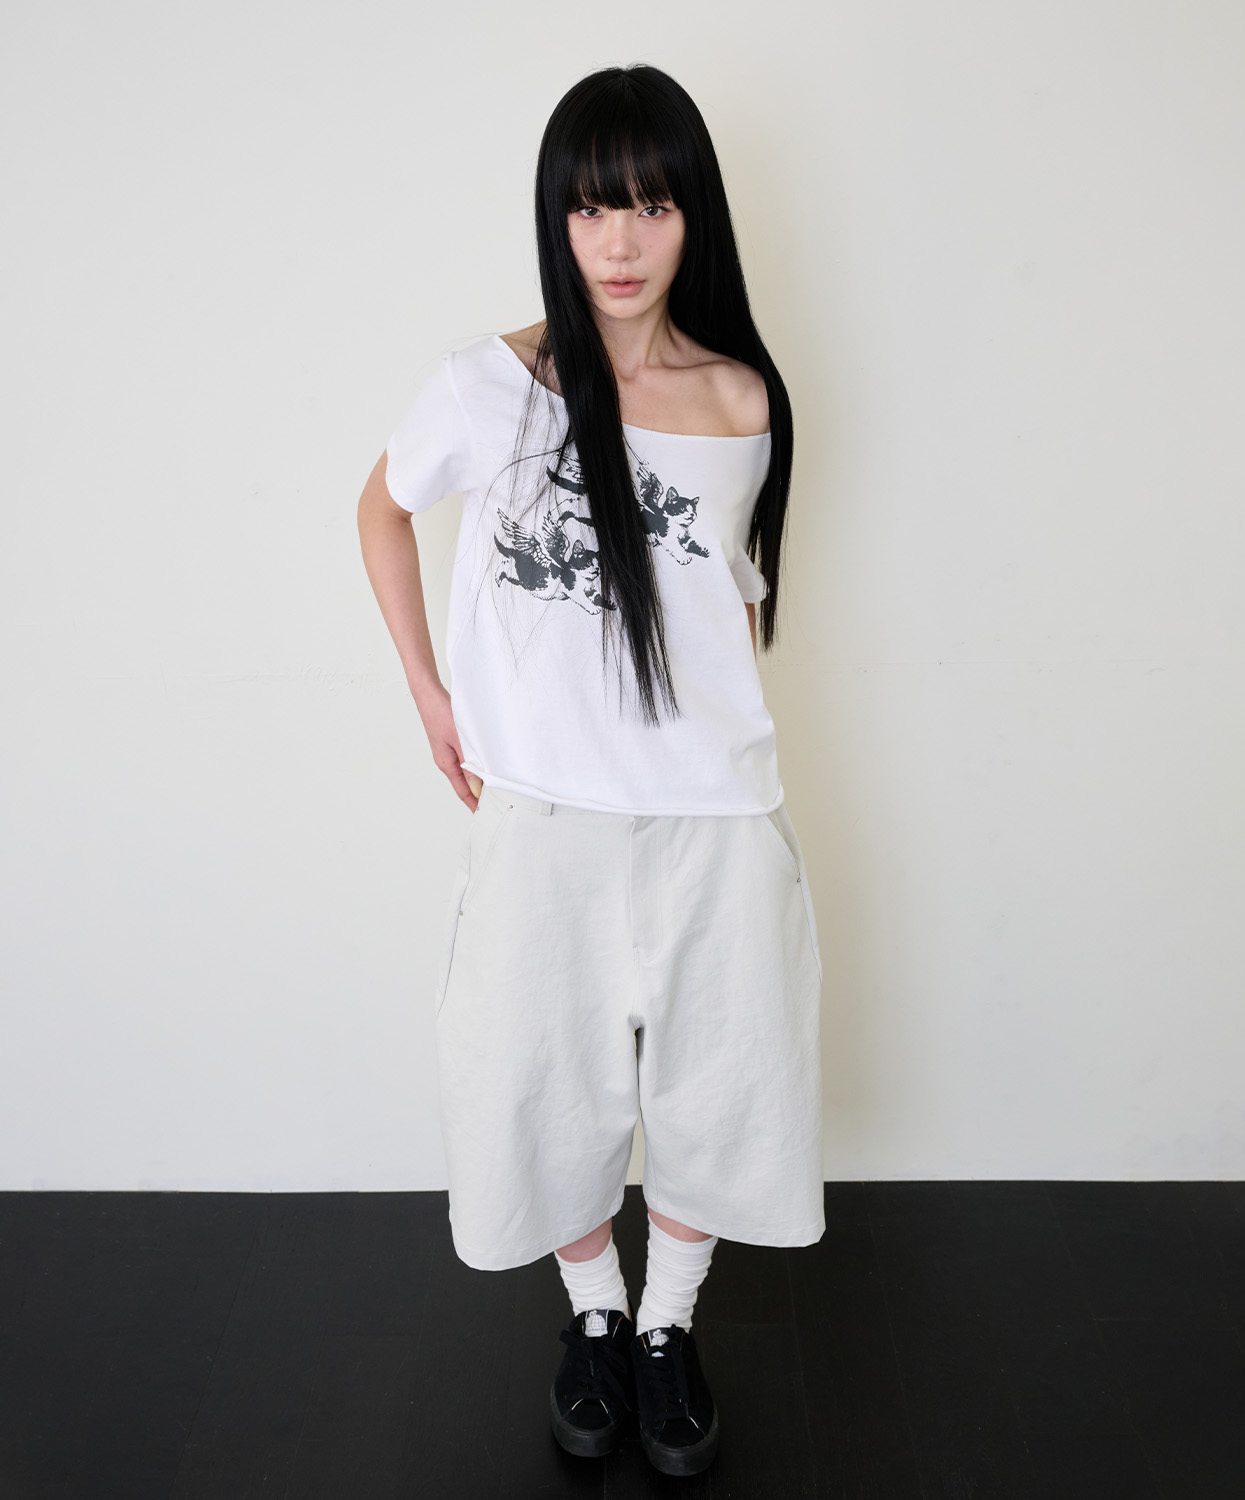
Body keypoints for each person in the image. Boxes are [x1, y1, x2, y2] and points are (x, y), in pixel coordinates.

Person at [356, 63, 824, 1478]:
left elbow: (734, 601)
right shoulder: (490, 387)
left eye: (651, 206)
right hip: (543, 809)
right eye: (590, 208)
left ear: (695, 219)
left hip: (714, 813)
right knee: (536, 1074)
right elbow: (380, 509)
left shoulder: (740, 397)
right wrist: (430, 693)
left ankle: (668, 1323)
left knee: (717, 1082)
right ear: (555, 218)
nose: (619, 243)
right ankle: (596, 1314)